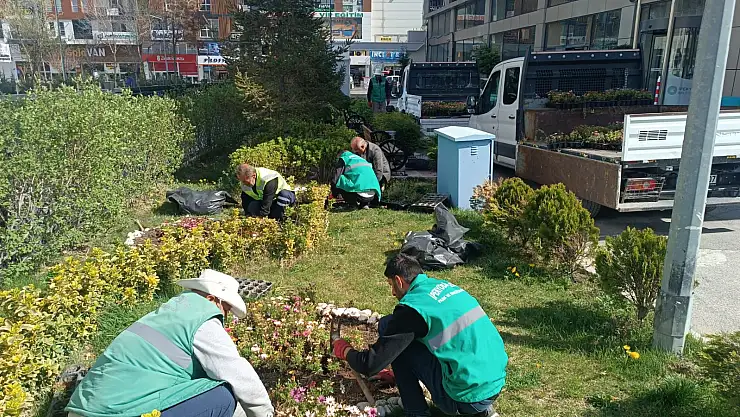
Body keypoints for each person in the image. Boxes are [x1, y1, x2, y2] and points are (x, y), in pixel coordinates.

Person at [66, 269, 274, 417]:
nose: (224, 317)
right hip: (117, 412)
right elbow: (241, 378)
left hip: (85, 408)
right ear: (212, 300)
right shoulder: (202, 319)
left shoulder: (166, 314)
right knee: (223, 396)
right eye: (226, 310)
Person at [332, 254, 508, 417]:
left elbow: (370, 364)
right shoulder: (445, 287)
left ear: (399, 281)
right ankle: (482, 408)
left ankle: (416, 413)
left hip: (464, 397)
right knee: (390, 325)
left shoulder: (413, 309)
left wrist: (345, 350)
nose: (392, 292)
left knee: (395, 338)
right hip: (494, 382)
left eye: (391, 285)